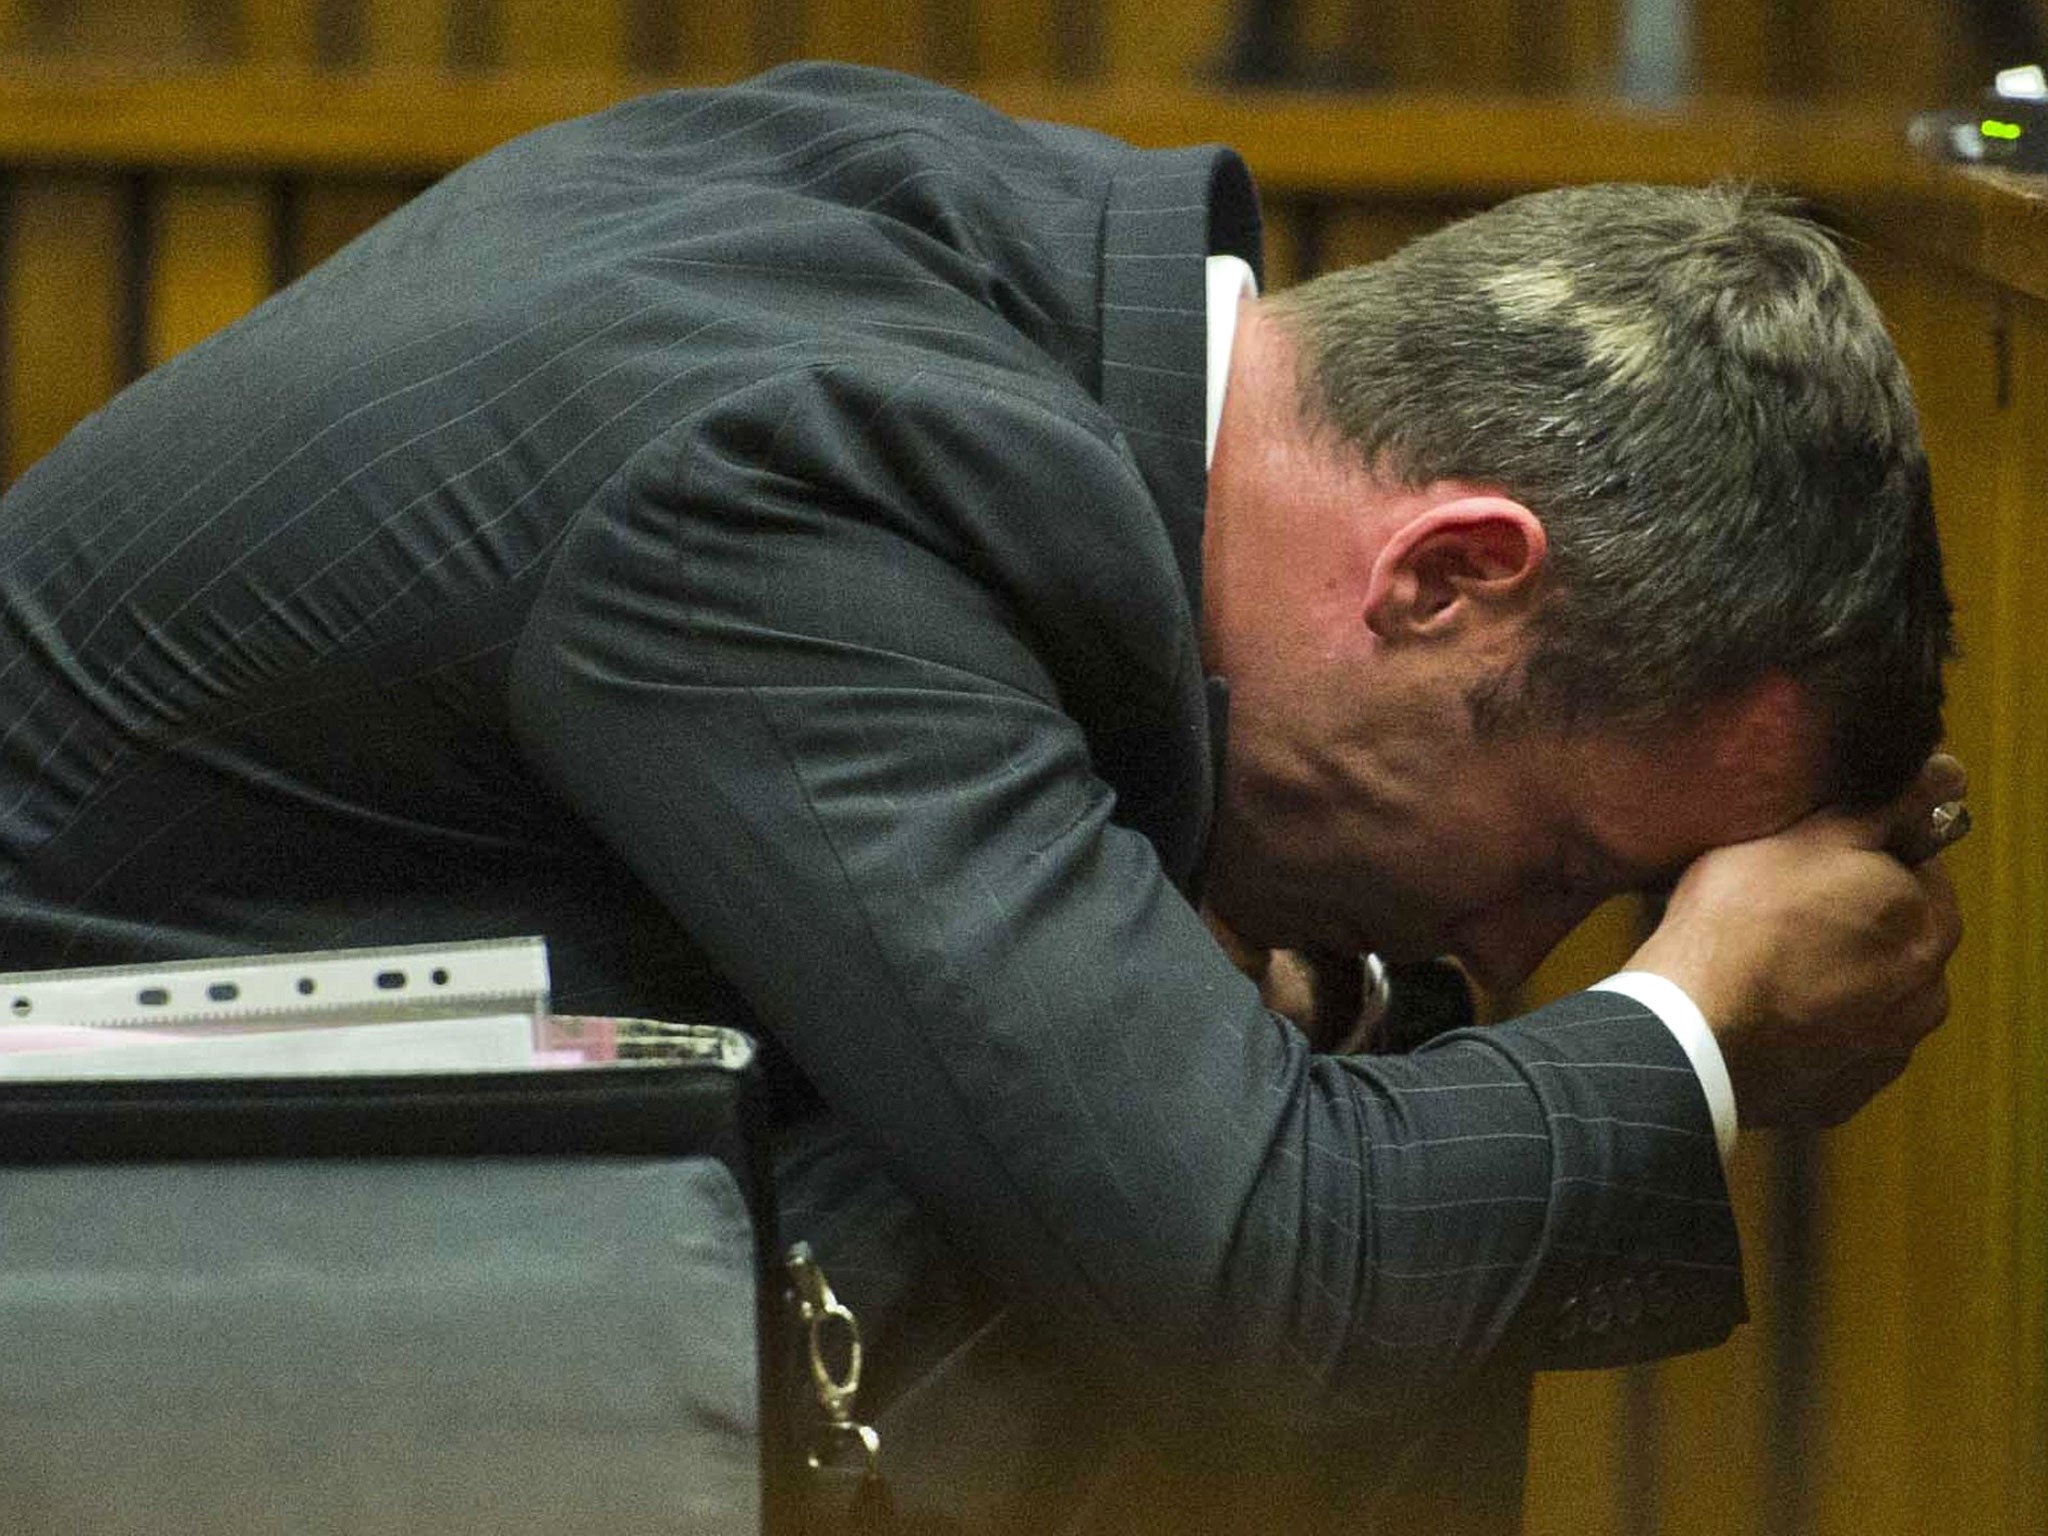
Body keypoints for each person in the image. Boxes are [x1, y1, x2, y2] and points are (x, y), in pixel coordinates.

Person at [0, 62, 1960, 1533]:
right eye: (1558, 864)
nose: (1503, 953)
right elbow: (1258, 1281)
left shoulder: (988, 259)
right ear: (1444, 574)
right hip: (134, 1292)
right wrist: (1703, 1024)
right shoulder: (807, 475)